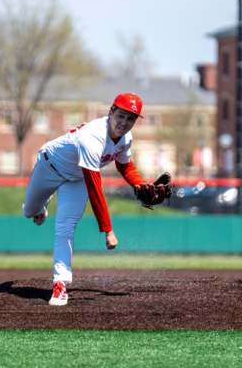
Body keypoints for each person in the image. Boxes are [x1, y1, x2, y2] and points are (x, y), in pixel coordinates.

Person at [22, 92, 148, 306]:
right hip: (49, 166)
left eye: (131, 119)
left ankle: (60, 284)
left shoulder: (126, 138)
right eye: (121, 116)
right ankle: (41, 205)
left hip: (76, 179)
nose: (124, 123)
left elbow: (124, 164)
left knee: (65, 228)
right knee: (29, 211)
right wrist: (107, 230)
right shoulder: (93, 136)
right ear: (111, 112)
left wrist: (141, 185)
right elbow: (95, 187)